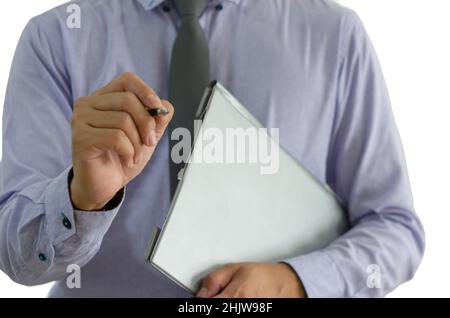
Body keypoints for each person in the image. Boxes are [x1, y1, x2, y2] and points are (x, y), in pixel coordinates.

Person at [0, 0, 424, 298]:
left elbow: (394, 227)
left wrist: (293, 282)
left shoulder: (335, 35)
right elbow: (18, 260)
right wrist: (82, 200)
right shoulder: (56, 39)